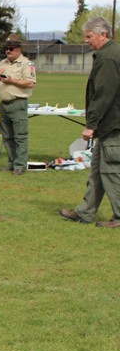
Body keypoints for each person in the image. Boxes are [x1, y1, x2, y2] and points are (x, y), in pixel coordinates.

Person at [60, 17, 120, 228]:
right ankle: (85, 211)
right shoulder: (109, 54)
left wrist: (91, 124)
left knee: (111, 171)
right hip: (108, 125)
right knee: (96, 170)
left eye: (89, 36)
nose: (86, 41)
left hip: (113, 125)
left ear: (103, 34)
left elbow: (104, 94)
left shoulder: (108, 58)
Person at [0, 34, 36, 175]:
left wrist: (11, 81)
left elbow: (30, 83)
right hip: (4, 104)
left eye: (11, 49)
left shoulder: (26, 64)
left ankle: (20, 165)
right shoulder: (2, 63)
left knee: (20, 136)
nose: (8, 51)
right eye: (6, 49)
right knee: (7, 136)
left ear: (19, 49)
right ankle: (11, 161)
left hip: (18, 103)